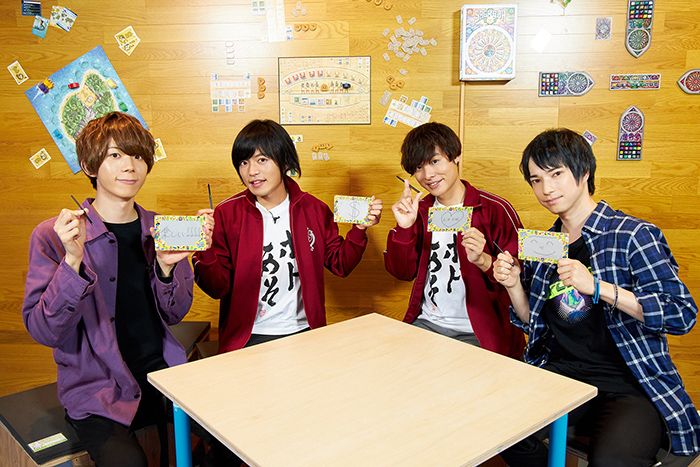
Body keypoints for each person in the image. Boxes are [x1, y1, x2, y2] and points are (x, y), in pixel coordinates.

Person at [494, 128, 700, 465]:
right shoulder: (545, 244)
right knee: (497, 428)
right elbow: (534, 323)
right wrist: (514, 285)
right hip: (561, 375)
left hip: (630, 383)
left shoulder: (633, 234)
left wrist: (598, 287)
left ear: (584, 171)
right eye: (536, 180)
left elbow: (681, 314)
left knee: (611, 461)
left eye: (556, 174)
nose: (546, 189)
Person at [22, 112, 214, 467]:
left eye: (138, 155)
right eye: (115, 155)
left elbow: (175, 314)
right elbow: (45, 331)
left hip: (161, 375)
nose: (130, 166)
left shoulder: (161, 228)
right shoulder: (54, 235)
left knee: (233, 436)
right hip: (96, 388)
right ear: (89, 165)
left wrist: (167, 268)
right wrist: (72, 261)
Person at [191, 118, 382, 465]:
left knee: (304, 431)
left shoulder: (314, 209)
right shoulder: (227, 214)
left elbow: (340, 263)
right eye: (244, 162)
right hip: (247, 340)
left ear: (284, 161)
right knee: (236, 436)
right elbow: (217, 287)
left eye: (262, 159)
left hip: (304, 337)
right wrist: (202, 250)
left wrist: (358, 229)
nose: (252, 171)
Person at [384, 122, 524, 357]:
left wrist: (483, 259)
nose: (428, 175)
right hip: (426, 324)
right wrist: (404, 228)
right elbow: (402, 272)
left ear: (456, 156)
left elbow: (521, 276)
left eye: (434, 161)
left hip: (481, 332)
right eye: (418, 167)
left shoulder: (494, 209)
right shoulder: (420, 210)